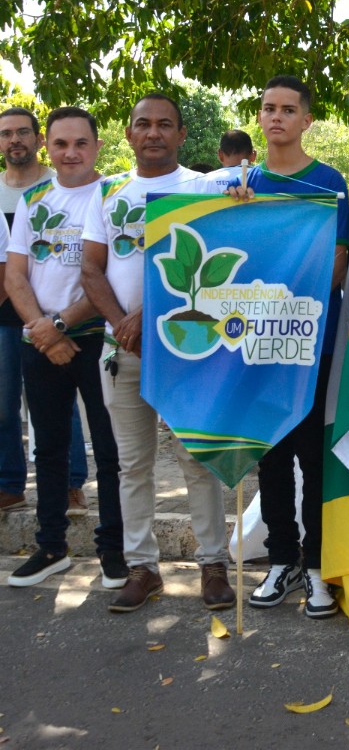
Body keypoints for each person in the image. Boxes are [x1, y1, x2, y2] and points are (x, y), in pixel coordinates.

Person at [81, 93, 235, 613]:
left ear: (182, 135)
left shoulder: (204, 187)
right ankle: (142, 568)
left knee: (197, 458)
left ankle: (213, 564)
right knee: (132, 466)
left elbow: (217, 263)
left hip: (188, 351)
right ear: (128, 134)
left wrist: (150, 319)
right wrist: (122, 326)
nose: (153, 133)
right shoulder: (107, 191)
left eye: (164, 125)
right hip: (120, 350)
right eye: (143, 124)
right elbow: (91, 270)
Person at [230, 75, 349, 619]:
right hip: (255, 349)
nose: (276, 117)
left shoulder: (330, 184)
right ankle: (282, 560)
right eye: (267, 108)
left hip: (311, 344)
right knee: (271, 458)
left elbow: (337, 267)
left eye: (287, 109)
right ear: (259, 118)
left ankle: (319, 564)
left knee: (313, 460)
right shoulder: (238, 184)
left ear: (307, 120)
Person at [4, 106, 126, 588]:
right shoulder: (33, 199)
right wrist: (41, 329)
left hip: (97, 339)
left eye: (80, 143)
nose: (70, 152)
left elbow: (110, 276)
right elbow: (15, 275)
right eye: (60, 144)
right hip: (40, 342)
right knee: (50, 449)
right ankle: (50, 546)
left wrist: (58, 325)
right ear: (46, 148)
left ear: (97, 145)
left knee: (111, 452)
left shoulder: (116, 195)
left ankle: (114, 550)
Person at [0, 108, 91, 514]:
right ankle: (9, 484)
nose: (14, 140)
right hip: (9, 314)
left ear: (39, 140)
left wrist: (46, 322)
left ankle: (72, 484)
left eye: (22, 132)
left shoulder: (62, 189)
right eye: (6, 134)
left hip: (55, 317)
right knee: (4, 404)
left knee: (61, 405)